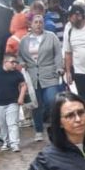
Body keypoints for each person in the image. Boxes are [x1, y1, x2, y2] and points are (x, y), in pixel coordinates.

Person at [19, 13, 63, 142]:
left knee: (51, 100)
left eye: (40, 22)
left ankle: (55, 127)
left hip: (50, 74)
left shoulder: (51, 37)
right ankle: (38, 130)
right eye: (36, 22)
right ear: (30, 24)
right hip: (32, 77)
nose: (38, 24)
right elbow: (19, 56)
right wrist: (22, 63)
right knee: (36, 104)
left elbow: (57, 54)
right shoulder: (25, 40)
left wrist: (59, 67)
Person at [0, 52, 31, 153]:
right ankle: (6, 142)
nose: (15, 64)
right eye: (12, 62)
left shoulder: (17, 73)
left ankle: (14, 144)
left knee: (12, 123)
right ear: (5, 62)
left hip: (13, 102)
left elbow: (23, 85)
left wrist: (21, 97)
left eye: (16, 62)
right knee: (2, 124)